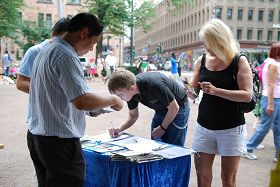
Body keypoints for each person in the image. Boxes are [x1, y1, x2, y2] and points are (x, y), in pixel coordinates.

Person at [26, 13, 123, 186]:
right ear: (83, 33)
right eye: (93, 42)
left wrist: (101, 107)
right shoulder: (65, 54)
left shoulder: (47, 49)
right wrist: (113, 99)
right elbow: (82, 101)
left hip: (39, 137)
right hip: (59, 143)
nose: (92, 48)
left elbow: (65, 98)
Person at [190, 19, 253, 187]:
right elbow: (193, 93)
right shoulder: (201, 61)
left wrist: (217, 91)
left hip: (231, 128)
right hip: (204, 126)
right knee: (202, 178)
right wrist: (184, 87)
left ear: (218, 40)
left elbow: (247, 95)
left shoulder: (239, 60)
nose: (206, 47)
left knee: (228, 180)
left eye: (208, 43)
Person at [107, 69, 190, 146]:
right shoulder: (130, 92)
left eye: (120, 95)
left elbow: (174, 108)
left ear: (132, 89)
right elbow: (133, 116)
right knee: (155, 141)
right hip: (161, 109)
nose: (119, 98)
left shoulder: (154, 85)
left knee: (174, 145)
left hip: (179, 105)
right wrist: (119, 129)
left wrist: (162, 127)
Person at [16, 17, 71, 94]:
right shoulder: (35, 51)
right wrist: (49, 95)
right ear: (53, 34)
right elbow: (21, 83)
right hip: (41, 105)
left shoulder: (69, 53)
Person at [245, 42, 280, 162]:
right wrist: (270, 103)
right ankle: (248, 147)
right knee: (265, 127)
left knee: (278, 127)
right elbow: (270, 84)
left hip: (274, 99)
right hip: (272, 99)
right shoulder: (273, 64)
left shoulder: (268, 62)